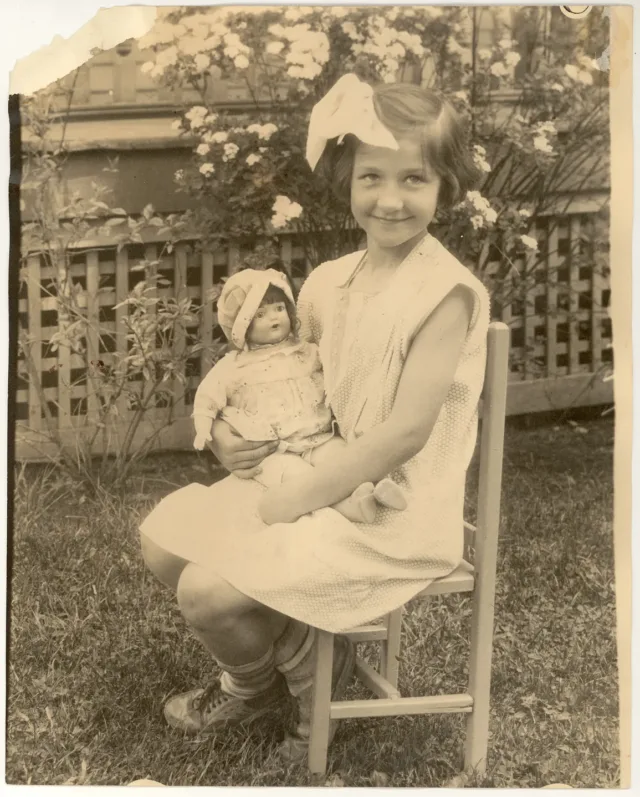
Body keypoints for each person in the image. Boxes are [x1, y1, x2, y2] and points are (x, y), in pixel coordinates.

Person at [139, 73, 490, 762]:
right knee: (164, 543)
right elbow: (293, 382)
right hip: (316, 470)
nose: (390, 199)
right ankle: (273, 678)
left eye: (413, 179)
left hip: (390, 508)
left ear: (445, 185)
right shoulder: (331, 281)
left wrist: (299, 495)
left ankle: (299, 689)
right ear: (347, 179)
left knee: (206, 591)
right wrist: (236, 439)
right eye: (372, 177)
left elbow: (404, 432)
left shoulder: (445, 292)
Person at [192, 267, 408, 523]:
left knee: (343, 460)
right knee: (300, 480)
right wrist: (203, 429)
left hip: (319, 437)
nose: (274, 317)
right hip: (274, 452)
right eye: (260, 314)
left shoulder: (307, 352)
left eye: (279, 308)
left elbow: (337, 368)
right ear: (242, 327)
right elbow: (207, 398)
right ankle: (351, 506)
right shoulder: (233, 367)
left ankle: (378, 488)